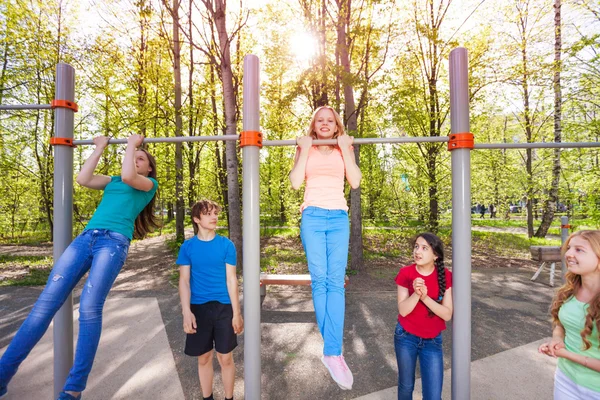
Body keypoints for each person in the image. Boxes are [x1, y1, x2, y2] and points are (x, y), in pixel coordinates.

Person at [0, 135, 159, 400]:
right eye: (133, 156)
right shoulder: (113, 181)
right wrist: (99, 148)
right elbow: (83, 179)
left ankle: (73, 389)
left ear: (149, 168)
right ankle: (3, 376)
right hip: (85, 239)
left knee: (89, 308)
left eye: (140, 158)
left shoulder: (148, 184)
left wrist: (132, 145)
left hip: (113, 243)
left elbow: (130, 176)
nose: (134, 159)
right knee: (43, 306)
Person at [289, 105, 361, 390]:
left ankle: (332, 353)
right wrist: (304, 149)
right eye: (320, 120)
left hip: (338, 216)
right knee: (320, 281)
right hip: (313, 216)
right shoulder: (304, 147)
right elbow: (295, 183)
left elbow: (354, 181)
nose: (325, 123)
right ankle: (334, 352)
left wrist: (347, 148)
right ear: (314, 124)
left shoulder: (344, 147)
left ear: (337, 124)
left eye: (330, 120)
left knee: (336, 283)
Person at [176, 199, 243, 400]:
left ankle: (229, 398)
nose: (214, 217)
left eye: (216, 213)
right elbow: (184, 281)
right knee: (204, 358)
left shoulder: (226, 245)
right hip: (198, 309)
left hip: (224, 307)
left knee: (225, 358)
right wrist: (186, 312)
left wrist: (237, 313)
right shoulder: (187, 247)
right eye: (208, 213)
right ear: (197, 219)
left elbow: (232, 280)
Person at [538, 230, 600, 399]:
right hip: (566, 380)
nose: (569, 254)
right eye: (569, 248)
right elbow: (560, 323)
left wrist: (566, 355)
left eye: (579, 250)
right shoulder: (570, 289)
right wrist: (557, 340)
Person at [394, 232, 453, 400]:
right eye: (416, 247)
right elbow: (403, 310)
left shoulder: (446, 276)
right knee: (406, 386)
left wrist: (425, 297)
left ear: (435, 255)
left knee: (433, 395)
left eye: (424, 248)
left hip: (433, 341)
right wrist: (416, 294)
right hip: (405, 337)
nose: (417, 251)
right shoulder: (405, 273)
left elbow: (447, 314)